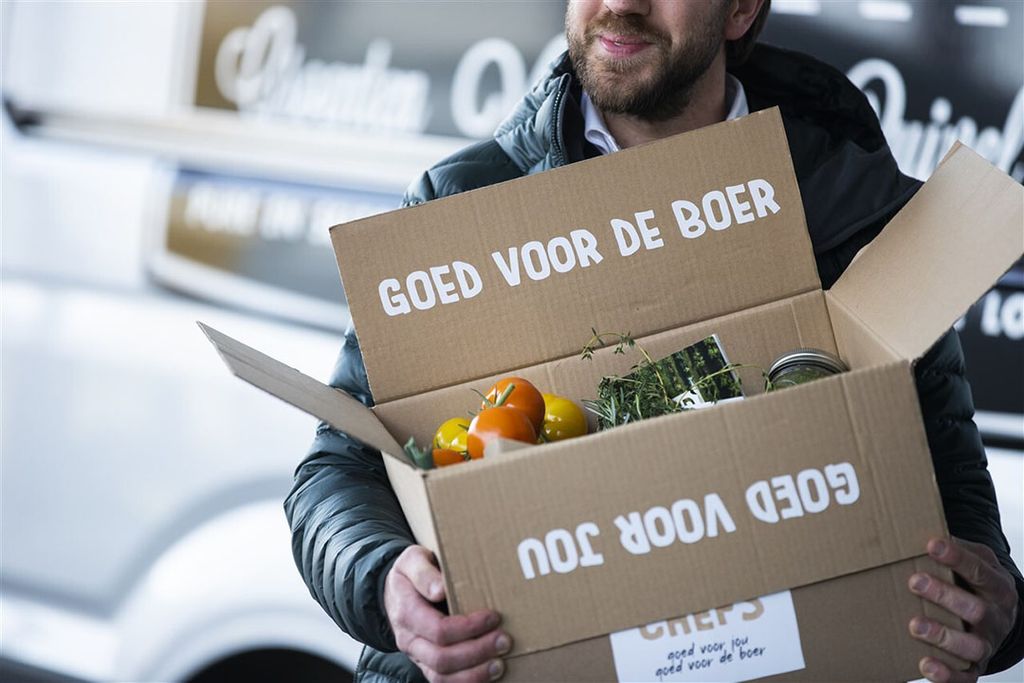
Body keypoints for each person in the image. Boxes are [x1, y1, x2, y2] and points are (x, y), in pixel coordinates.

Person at [284, 2, 1023, 682]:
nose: (620, 2)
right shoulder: (462, 210)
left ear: (740, 9)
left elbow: (953, 493)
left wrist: (996, 608)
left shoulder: (850, 212)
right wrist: (385, 582)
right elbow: (337, 468)